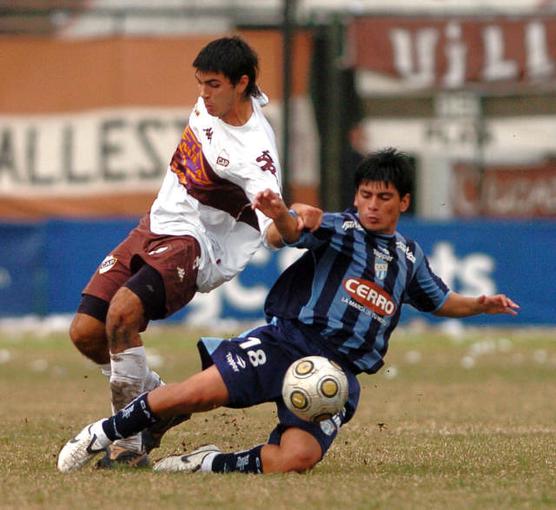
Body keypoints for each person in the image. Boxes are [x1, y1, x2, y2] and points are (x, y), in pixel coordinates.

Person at [58, 148, 519, 475]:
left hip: (336, 375)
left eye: (383, 198)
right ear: (356, 197)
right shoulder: (342, 229)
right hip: (287, 344)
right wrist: (284, 214)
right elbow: (293, 233)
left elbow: (440, 301)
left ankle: (206, 462)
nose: (371, 206)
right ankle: (103, 433)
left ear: (404, 202)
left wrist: (479, 305)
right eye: (365, 195)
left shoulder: (409, 256)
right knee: (192, 396)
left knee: (296, 459)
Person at [67, 35, 316, 468]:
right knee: (85, 332)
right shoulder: (217, 101)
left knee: (122, 315)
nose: (203, 93)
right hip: (156, 224)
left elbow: (279, 236)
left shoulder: (254, 156)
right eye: (200, 83)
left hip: (197, 245)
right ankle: (161, 400)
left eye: (213, 84)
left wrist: (284, 218)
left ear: (241, 84)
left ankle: (127, 442)